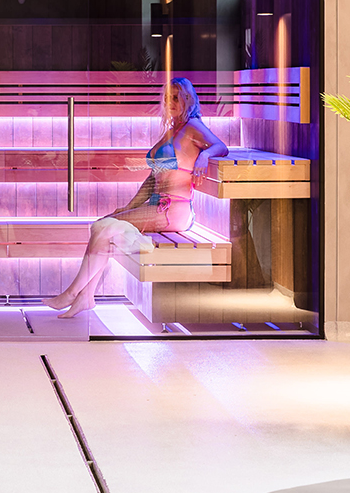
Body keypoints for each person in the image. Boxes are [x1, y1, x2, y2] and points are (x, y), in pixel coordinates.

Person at [45, 77, 227, 319]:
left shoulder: (193, 126)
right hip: (157, 205)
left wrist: (204, 157)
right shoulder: (173, 130)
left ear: (188, 99)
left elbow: (220, 146)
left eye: (175, 97)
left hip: (172, 209)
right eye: (166, 98)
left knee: (104, 227)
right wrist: (128, 207)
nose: (169, 102)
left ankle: (72, 294)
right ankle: (86, 297)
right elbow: (153, 177)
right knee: (102, 224)